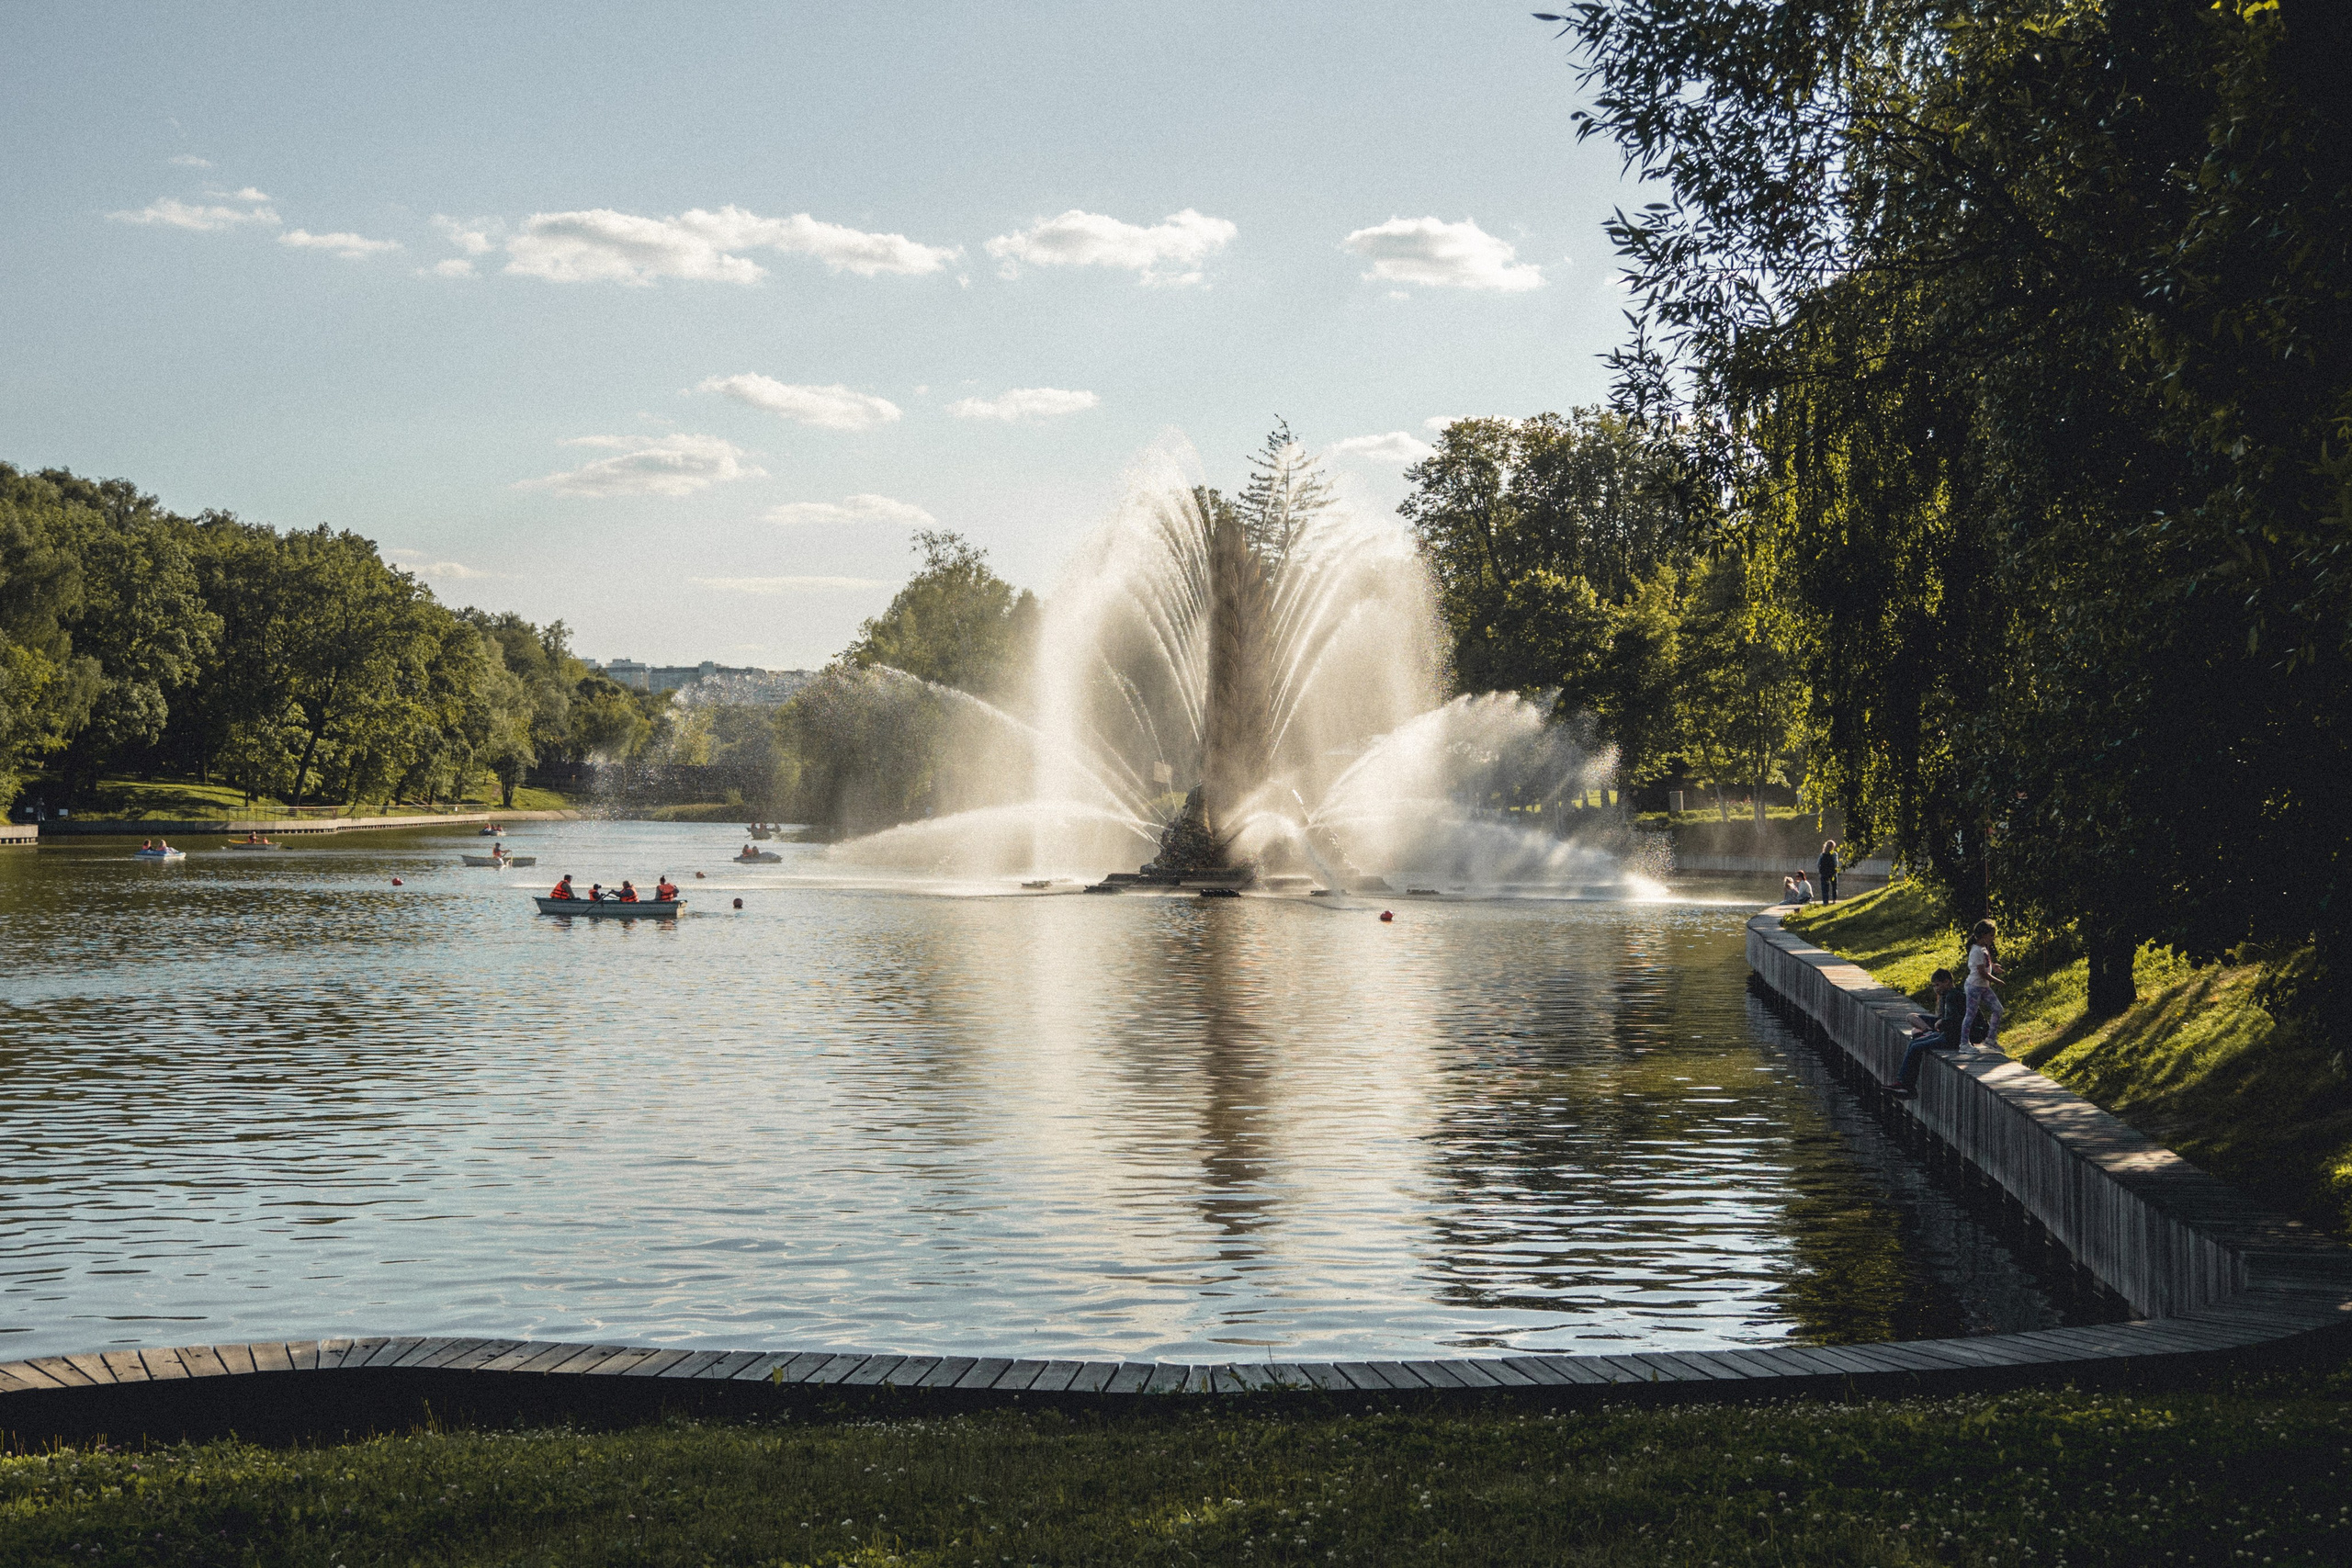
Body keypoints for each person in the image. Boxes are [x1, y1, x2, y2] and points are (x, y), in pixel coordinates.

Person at [1892, 968, 1964, 1097]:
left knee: (1916, 1046)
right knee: (1914, 1043)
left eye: (1938, 985)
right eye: (1934, 986)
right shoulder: (1949, 995)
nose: (1936, 989)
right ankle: (1904, 1083)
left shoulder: (1952, 996)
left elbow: (1956, 1020)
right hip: (1947, 1034)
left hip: (1952, 1038)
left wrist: (1942, 1022)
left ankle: (1907, 1085)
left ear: (1947, 982)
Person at [1963, 919, 2006, 1053]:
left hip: (1983, 987)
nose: (1993, 938)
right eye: (1991, 935)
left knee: (1998, 1009)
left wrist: (1993, 967)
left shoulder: (1983, 949)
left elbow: (1985, 965)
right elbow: (1982, 973)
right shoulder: (1976, 950)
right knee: (1971, 1014)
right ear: (1983, 935)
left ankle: (1990, 1039)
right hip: (1974, 987)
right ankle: (1964, 1043)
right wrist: (1997, 981)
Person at [1818, 839, 1840, 904]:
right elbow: (1836, 863)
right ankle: (1834, 900)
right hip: (1832, 872)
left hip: (1824, 873)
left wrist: (1820, 871)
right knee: (1834, 887)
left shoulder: (1822, 854)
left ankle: (1825, 901)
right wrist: (1836, 871)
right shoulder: (1834, 854)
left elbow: (1818, 864)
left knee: (1825, 887)